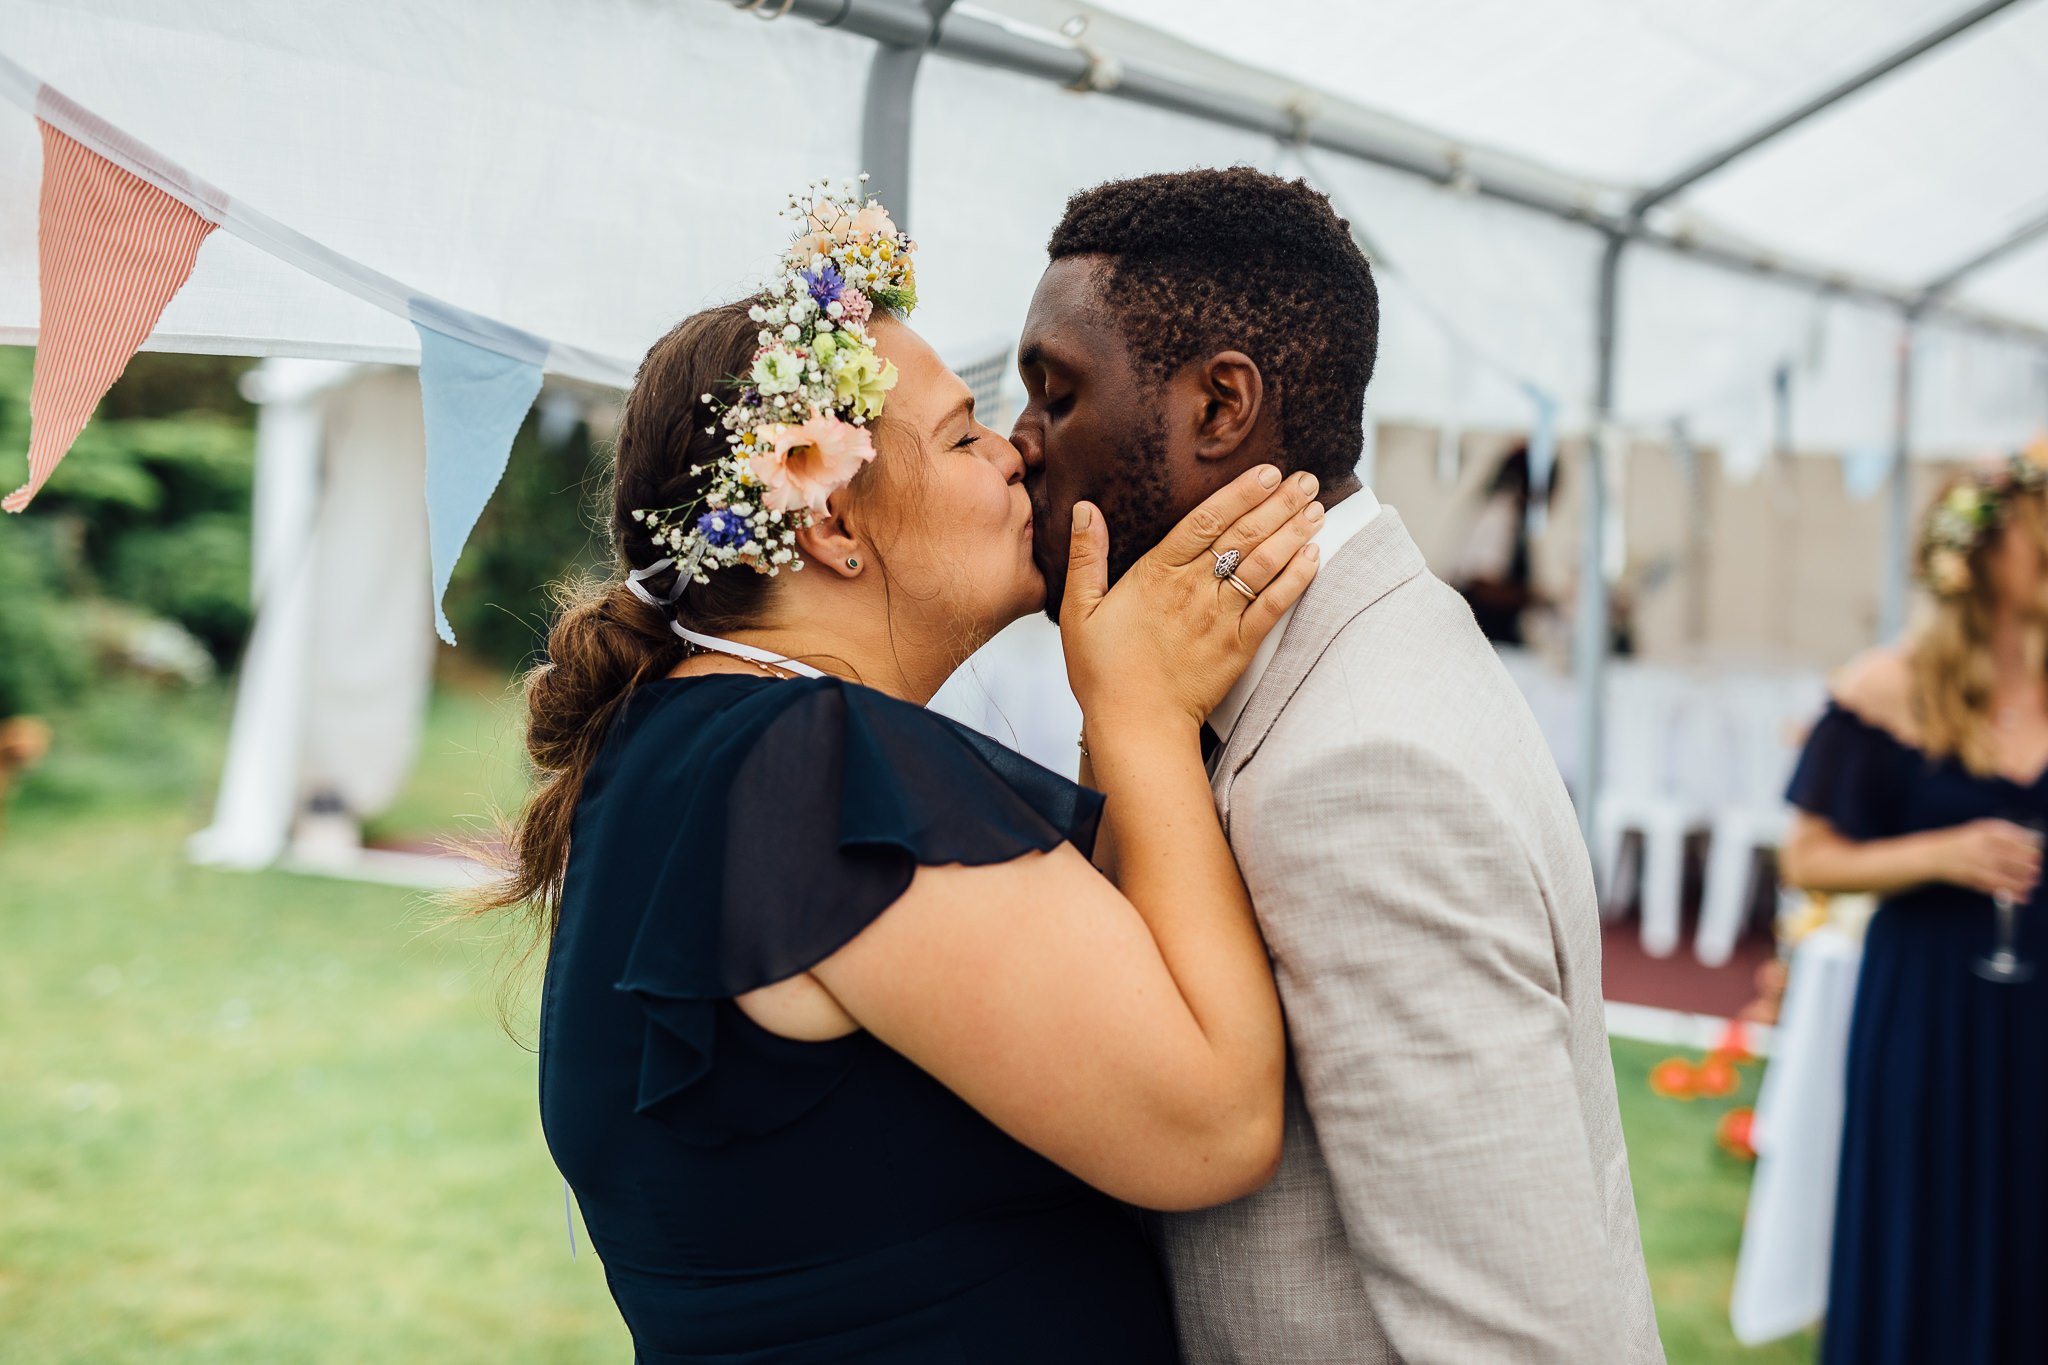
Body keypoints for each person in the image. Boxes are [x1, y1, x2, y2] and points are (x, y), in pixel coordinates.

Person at [463, 183, 1324, 1363]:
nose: (1021, 451)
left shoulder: (675, 743)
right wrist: (1142, 716)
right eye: (965, 434)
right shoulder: (819, 772)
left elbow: (1099, 991)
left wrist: (1108, 705)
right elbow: (1213, 1126)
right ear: (827, 526)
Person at [1015, 167, 1664, 1364]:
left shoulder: (1360, 773)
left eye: (1054, 395)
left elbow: (1522, 1340)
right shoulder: (1333, 651)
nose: (1018, 446)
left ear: (1219, 407)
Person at [1779, 449, 2048, 1365]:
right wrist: (1946, 852)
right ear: (1977, 553)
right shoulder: (1885, 688)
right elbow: (1806, 856)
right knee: (1923, 1222)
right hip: (1928, 1009)